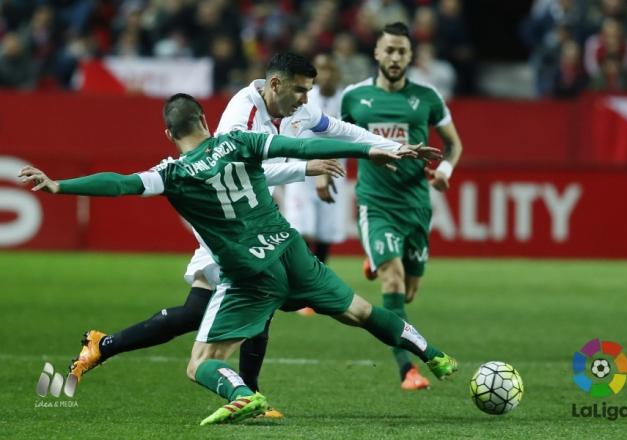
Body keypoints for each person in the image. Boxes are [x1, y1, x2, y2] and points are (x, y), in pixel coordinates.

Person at [20, 93, 457, 425]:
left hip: (249, 272)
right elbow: (300, 148)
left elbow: (119, 184)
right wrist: (368, 150)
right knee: (360, 311)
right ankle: (435, 354)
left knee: (201, 362)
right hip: (290, 248)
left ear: (169, 135)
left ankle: (243, 393)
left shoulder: (171, 173)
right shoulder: (239, 140)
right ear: (207, 120)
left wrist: (60, 185)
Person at [341, 22, 464, 391]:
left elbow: (454, 145)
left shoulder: (427, 97)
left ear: (411, 56)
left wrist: (444, 170)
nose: (395, 57)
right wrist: (320, 173)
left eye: (402, 51)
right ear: (377, 53)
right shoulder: (354, 97)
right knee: (392, 280)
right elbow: (331, 136)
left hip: (415, 205)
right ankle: (407, 370)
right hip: (376, 203)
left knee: (408, 291)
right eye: (389, 50)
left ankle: (376, 259)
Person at [283, 53, 347, 265]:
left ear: (337, 73)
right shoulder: (305, 98)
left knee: (325, 232)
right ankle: (303, 278)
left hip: (333, 173)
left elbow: (347, 137)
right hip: (302, 174)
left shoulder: (346, 100)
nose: (326, 75)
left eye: (330, 69)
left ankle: (319, 280)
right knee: (301, 229)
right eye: (321, 70)